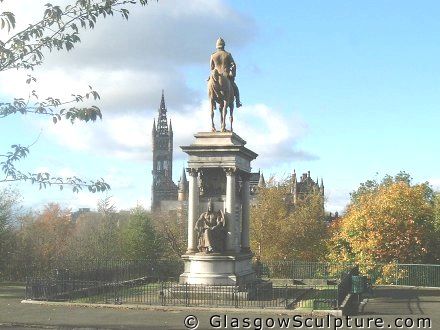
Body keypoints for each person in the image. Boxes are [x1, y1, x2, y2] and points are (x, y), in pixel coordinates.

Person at [209, 37, 242, 108]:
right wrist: (233, 74)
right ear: (223, 45)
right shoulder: (227, 54)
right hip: (226, 76)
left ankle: (213, 103)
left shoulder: (213, 55)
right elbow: (233, 65)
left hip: (216, 75)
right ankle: (238, 102)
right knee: (235, 88)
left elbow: (211, 67)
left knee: (209, 85)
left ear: (217, 46)